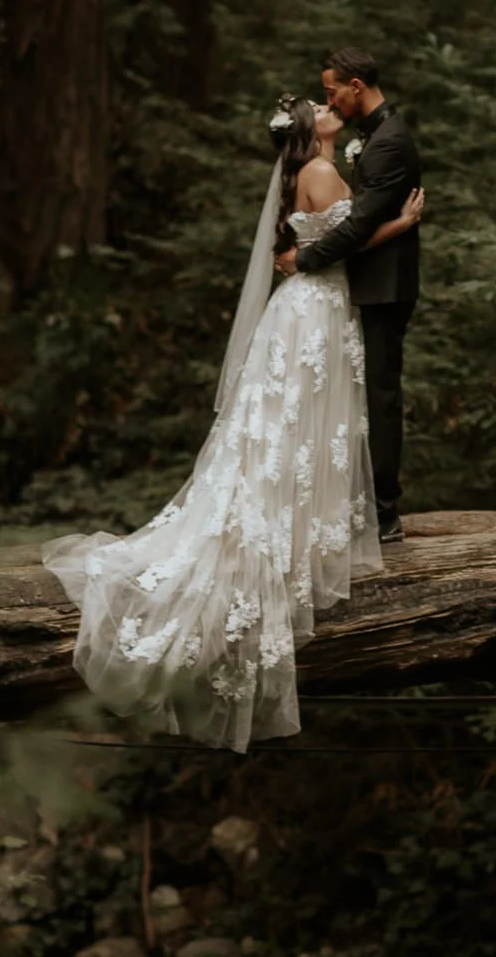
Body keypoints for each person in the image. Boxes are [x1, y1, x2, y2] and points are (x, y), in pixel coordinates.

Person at [41, 94, 424, 751]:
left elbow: (310, 240)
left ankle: (290, 524)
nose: (329, 104)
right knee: (301, 430)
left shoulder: (301, 173)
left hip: (301, 310)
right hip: (316, 310)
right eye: (319, 106)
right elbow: (345, 242)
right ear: (311, 129)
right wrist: (403, 222)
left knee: (285, 433)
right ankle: (292, 535)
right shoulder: (323, 173)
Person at [274, 47, 422, 543]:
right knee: (351, 397)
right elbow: (354, 223)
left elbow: (357, 225)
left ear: (355, 86)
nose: (329, 101)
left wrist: (305, 258)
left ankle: (382, 511)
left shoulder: (387, 143)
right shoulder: (365, 142)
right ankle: (360, 506)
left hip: (378, 288)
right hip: (347, 288)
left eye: (332, 90)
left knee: (377, 397)